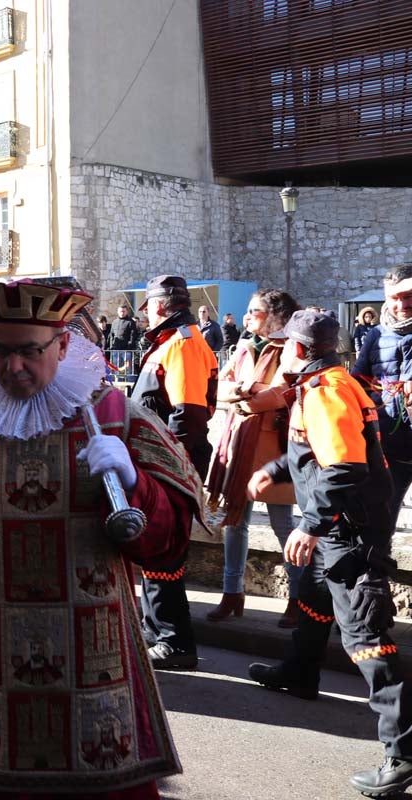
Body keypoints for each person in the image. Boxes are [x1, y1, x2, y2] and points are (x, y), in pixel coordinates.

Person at [0, 278, 199, 799]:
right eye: (1, 351)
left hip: (97, 669)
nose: (14, 366)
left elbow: (168, 549)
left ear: (62, 346)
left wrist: (136, 483)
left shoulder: (116, 420)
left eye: (29, 352)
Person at [245, 309, 412, 798]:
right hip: (343, 524)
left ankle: (401, 754)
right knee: (314, 593)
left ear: (298, 350)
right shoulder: (327, 383)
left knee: (364, 634)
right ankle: (299, 672)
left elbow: (343, 467)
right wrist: (276, 470)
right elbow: (316, 448)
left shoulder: (327, 391)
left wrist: (310, 525)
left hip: (349, 530)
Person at [131, 275, 219, 670]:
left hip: (167, 465)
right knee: (154, 552)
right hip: (157, 463)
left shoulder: (182, 345)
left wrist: (174, 469)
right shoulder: (170, 343)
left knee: (164, 554)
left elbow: (188, 416)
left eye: (148, 305)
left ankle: (173, 641)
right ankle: (157, 634)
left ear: (161, 307)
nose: (143, 313)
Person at [205, 290, 301, 626]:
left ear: (275, 316)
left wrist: (243, 394)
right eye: (247, 311)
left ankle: (299, 598)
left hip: (274, 447)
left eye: (255, 311)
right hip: (240, 442)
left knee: (283, 525)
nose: (247, 317)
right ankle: (232, 593)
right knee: (235, 523)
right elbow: (220, 385)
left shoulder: (291, 347)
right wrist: (246, 391)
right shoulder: (246, 345)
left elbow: (282, 393)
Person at [353, 265, 412, 539]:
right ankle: (373, 581)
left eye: (408, 295)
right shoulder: (375, 335)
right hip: (390, 445)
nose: (401, 304)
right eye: (394, 297)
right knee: (380, 525)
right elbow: (358, 384)